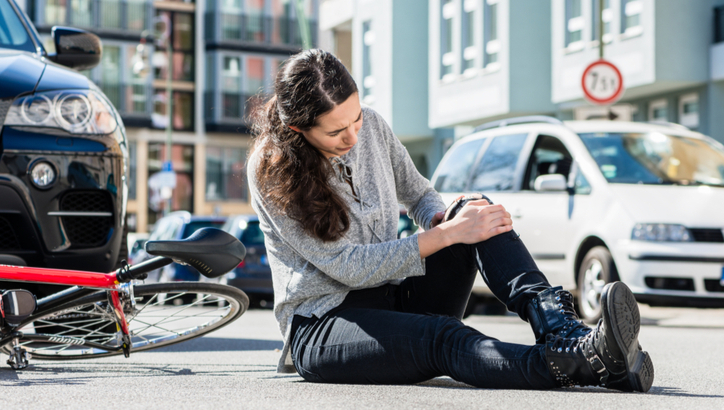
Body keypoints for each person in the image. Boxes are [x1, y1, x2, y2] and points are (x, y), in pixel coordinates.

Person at [247, 49, 654, 391]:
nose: (354, 136)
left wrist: (449, 220)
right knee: (442, 337)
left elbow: (420, 195)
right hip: (325, 324)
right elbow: (348, 267)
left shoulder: (371, 126)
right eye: (337, 132)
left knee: (474, 209)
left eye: (356, 119)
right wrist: (445, 235)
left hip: (394, 295)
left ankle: (562, 331)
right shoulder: (272, 169)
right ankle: (583, 363)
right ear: (298, 128)